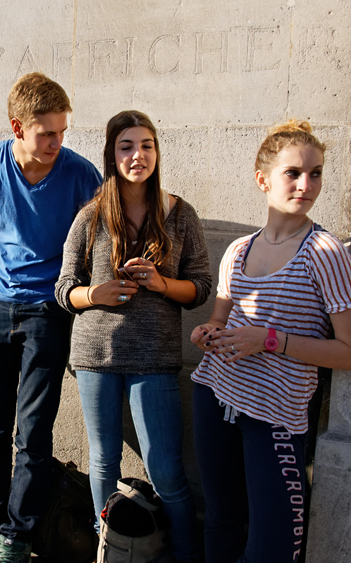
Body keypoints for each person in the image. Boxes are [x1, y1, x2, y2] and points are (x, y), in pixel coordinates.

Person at [189, 120, 351, 563]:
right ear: (263, 179)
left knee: (272, 548)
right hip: (215, 396)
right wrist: (205, 333)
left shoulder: (324, 253)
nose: (307, 184)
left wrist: (271, 340)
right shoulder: (238, 250)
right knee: (221, 521)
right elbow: (219, 319)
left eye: (317, 173)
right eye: (293, 172)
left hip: (276, 416)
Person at [0, 72, 102, 563]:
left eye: (62, 132)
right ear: (18, 126)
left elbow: (101, 239)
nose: (57, 142)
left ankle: (17, 536)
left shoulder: (79, 174)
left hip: (47, 314)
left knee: (33, 435)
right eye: (46, 133)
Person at [55, 110, 210, 563]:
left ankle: (185, 554)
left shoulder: (179, 214)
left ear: (157, 152)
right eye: (126, 146)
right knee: (103, 461)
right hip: (95, 355)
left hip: (155, 359)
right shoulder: (90, 216)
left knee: (165, 471)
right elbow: (64, 288)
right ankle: (113, 551)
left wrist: (162, 284)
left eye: (146, 145)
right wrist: (96, 293)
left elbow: (201, 286)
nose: (136, 155)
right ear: (111, 153)